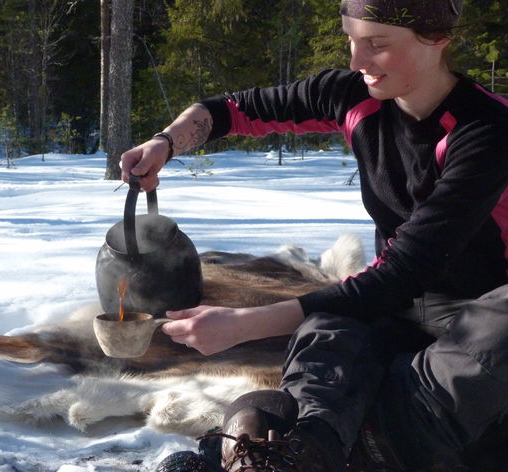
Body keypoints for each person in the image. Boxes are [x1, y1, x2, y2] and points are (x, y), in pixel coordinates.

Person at [120, 0, 508, 471]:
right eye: (351, 39)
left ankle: (366, 444)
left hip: (481, 308)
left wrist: (244, 324)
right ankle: (305, 448)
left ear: (438, 40)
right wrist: (165, 142)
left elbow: (408, 269)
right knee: (328, 329)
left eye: (377, 44)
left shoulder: (485, 130)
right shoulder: (353, 96)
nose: (356, 61)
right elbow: (232, 111)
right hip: (398, 311)